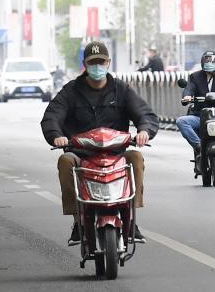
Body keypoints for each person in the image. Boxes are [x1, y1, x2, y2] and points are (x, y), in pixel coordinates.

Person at [41, 41, 158, 245]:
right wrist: (56, 135)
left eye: (101, 62)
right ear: (85, 65)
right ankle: (78, 220)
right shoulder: (71, 91)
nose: (97, 66)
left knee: (137, 158)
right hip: (82, 154)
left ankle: (131, 216)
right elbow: (52, 116)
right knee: (65, 162)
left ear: (108, 63)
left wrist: (144, 131)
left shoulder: (121, 89)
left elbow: (144, 113)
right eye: (92, 62)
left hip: (116, 154)